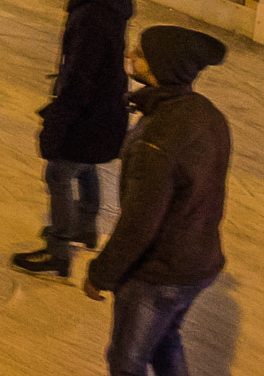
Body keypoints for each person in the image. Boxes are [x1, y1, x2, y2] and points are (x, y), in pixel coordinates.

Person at [84, 27, 232, 376]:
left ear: (162, 67)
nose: (130, 55)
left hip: (159, 273)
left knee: (126, 360)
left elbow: (139, 224)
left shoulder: (158, 140)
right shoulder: (208, 115)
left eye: (140, 52)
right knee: (165, 341)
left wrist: (101, 274)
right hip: (199, 263)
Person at [14, 0, 134, 277]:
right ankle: (85, 226)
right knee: (85, 163)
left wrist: (55, 122)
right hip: (104, 109)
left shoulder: (95, 15)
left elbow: (80, 80)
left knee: (59, 172)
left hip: (90, 111)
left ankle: (58, 250)